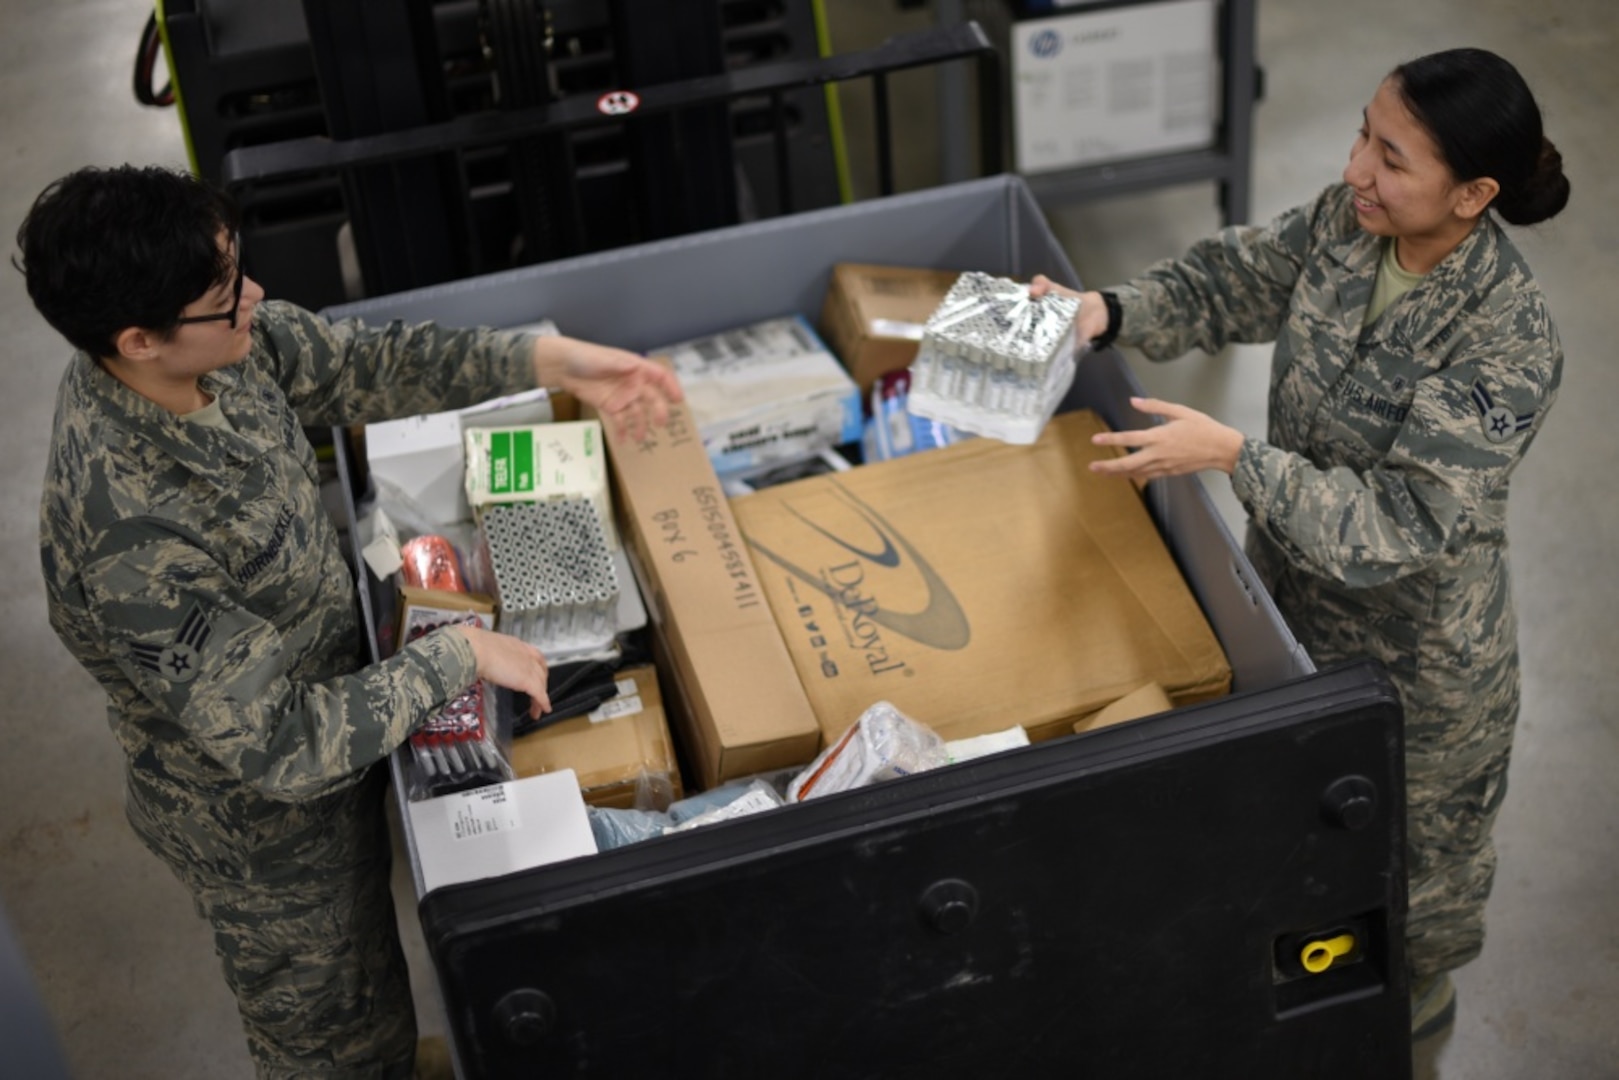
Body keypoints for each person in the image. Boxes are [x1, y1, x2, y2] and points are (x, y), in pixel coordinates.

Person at [16, 164, 683, 1078]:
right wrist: (455, 658)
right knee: (334, 1037)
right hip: (265, 832)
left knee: (383, 993)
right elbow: (281, 746)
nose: (253, 296)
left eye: (236, 269)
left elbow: (366, 363)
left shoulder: (214, 349)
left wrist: (547, 362)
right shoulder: (133, 536)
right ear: (138, 340)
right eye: (224, 296)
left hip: (340, 709)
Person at [1035, 47, 1568, 1052]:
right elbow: (1232, 279)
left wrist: (1235, 458)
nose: (1356, 167)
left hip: (1416, 663)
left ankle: (1408, 1016)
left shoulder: (1506, 340)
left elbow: (1401, 526)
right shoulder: (1345, 223)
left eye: (1392, 155)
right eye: (1362, 132)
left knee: (1410, 865)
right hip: (1290, 604)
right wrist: (1104, 312)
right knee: (1291, 819)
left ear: (1474, 194)